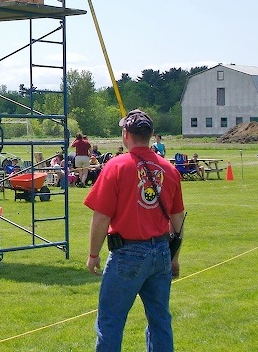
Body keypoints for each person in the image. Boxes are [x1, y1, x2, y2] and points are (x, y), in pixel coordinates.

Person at [84, 109, 185, 351]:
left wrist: (93, 254)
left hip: (127, 252)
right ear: (151, 135)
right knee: (160, 321)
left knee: (111, 320)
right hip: (161, 251)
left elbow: (101, 217)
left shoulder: (116, 166)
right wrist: (174, 256)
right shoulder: (169, 169)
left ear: (125, 134)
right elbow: (178, 220)